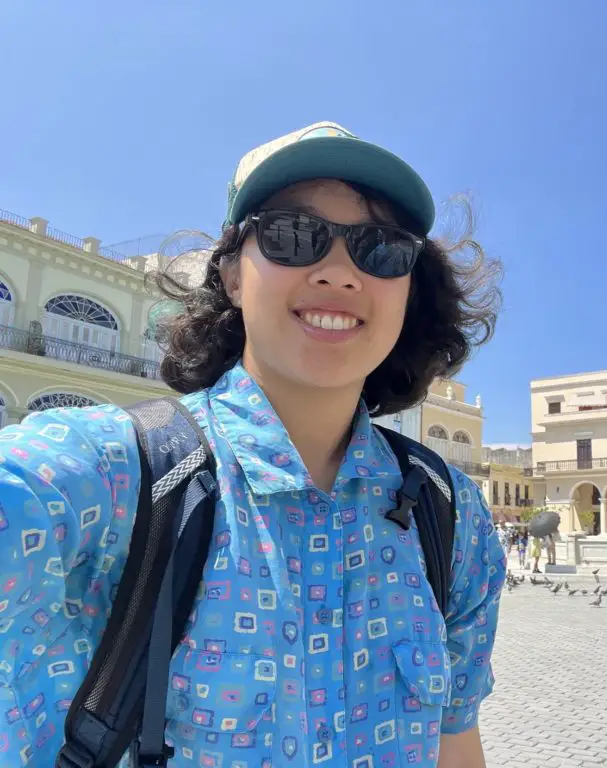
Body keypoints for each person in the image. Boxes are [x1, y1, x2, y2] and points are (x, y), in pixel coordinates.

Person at [0, 121, 505, 768]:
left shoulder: (449, 513)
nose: (340, 273)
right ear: (235, 276)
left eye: (381, 250)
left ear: (409, 289)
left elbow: (455, 743)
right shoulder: (121, 478)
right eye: (295, 236)